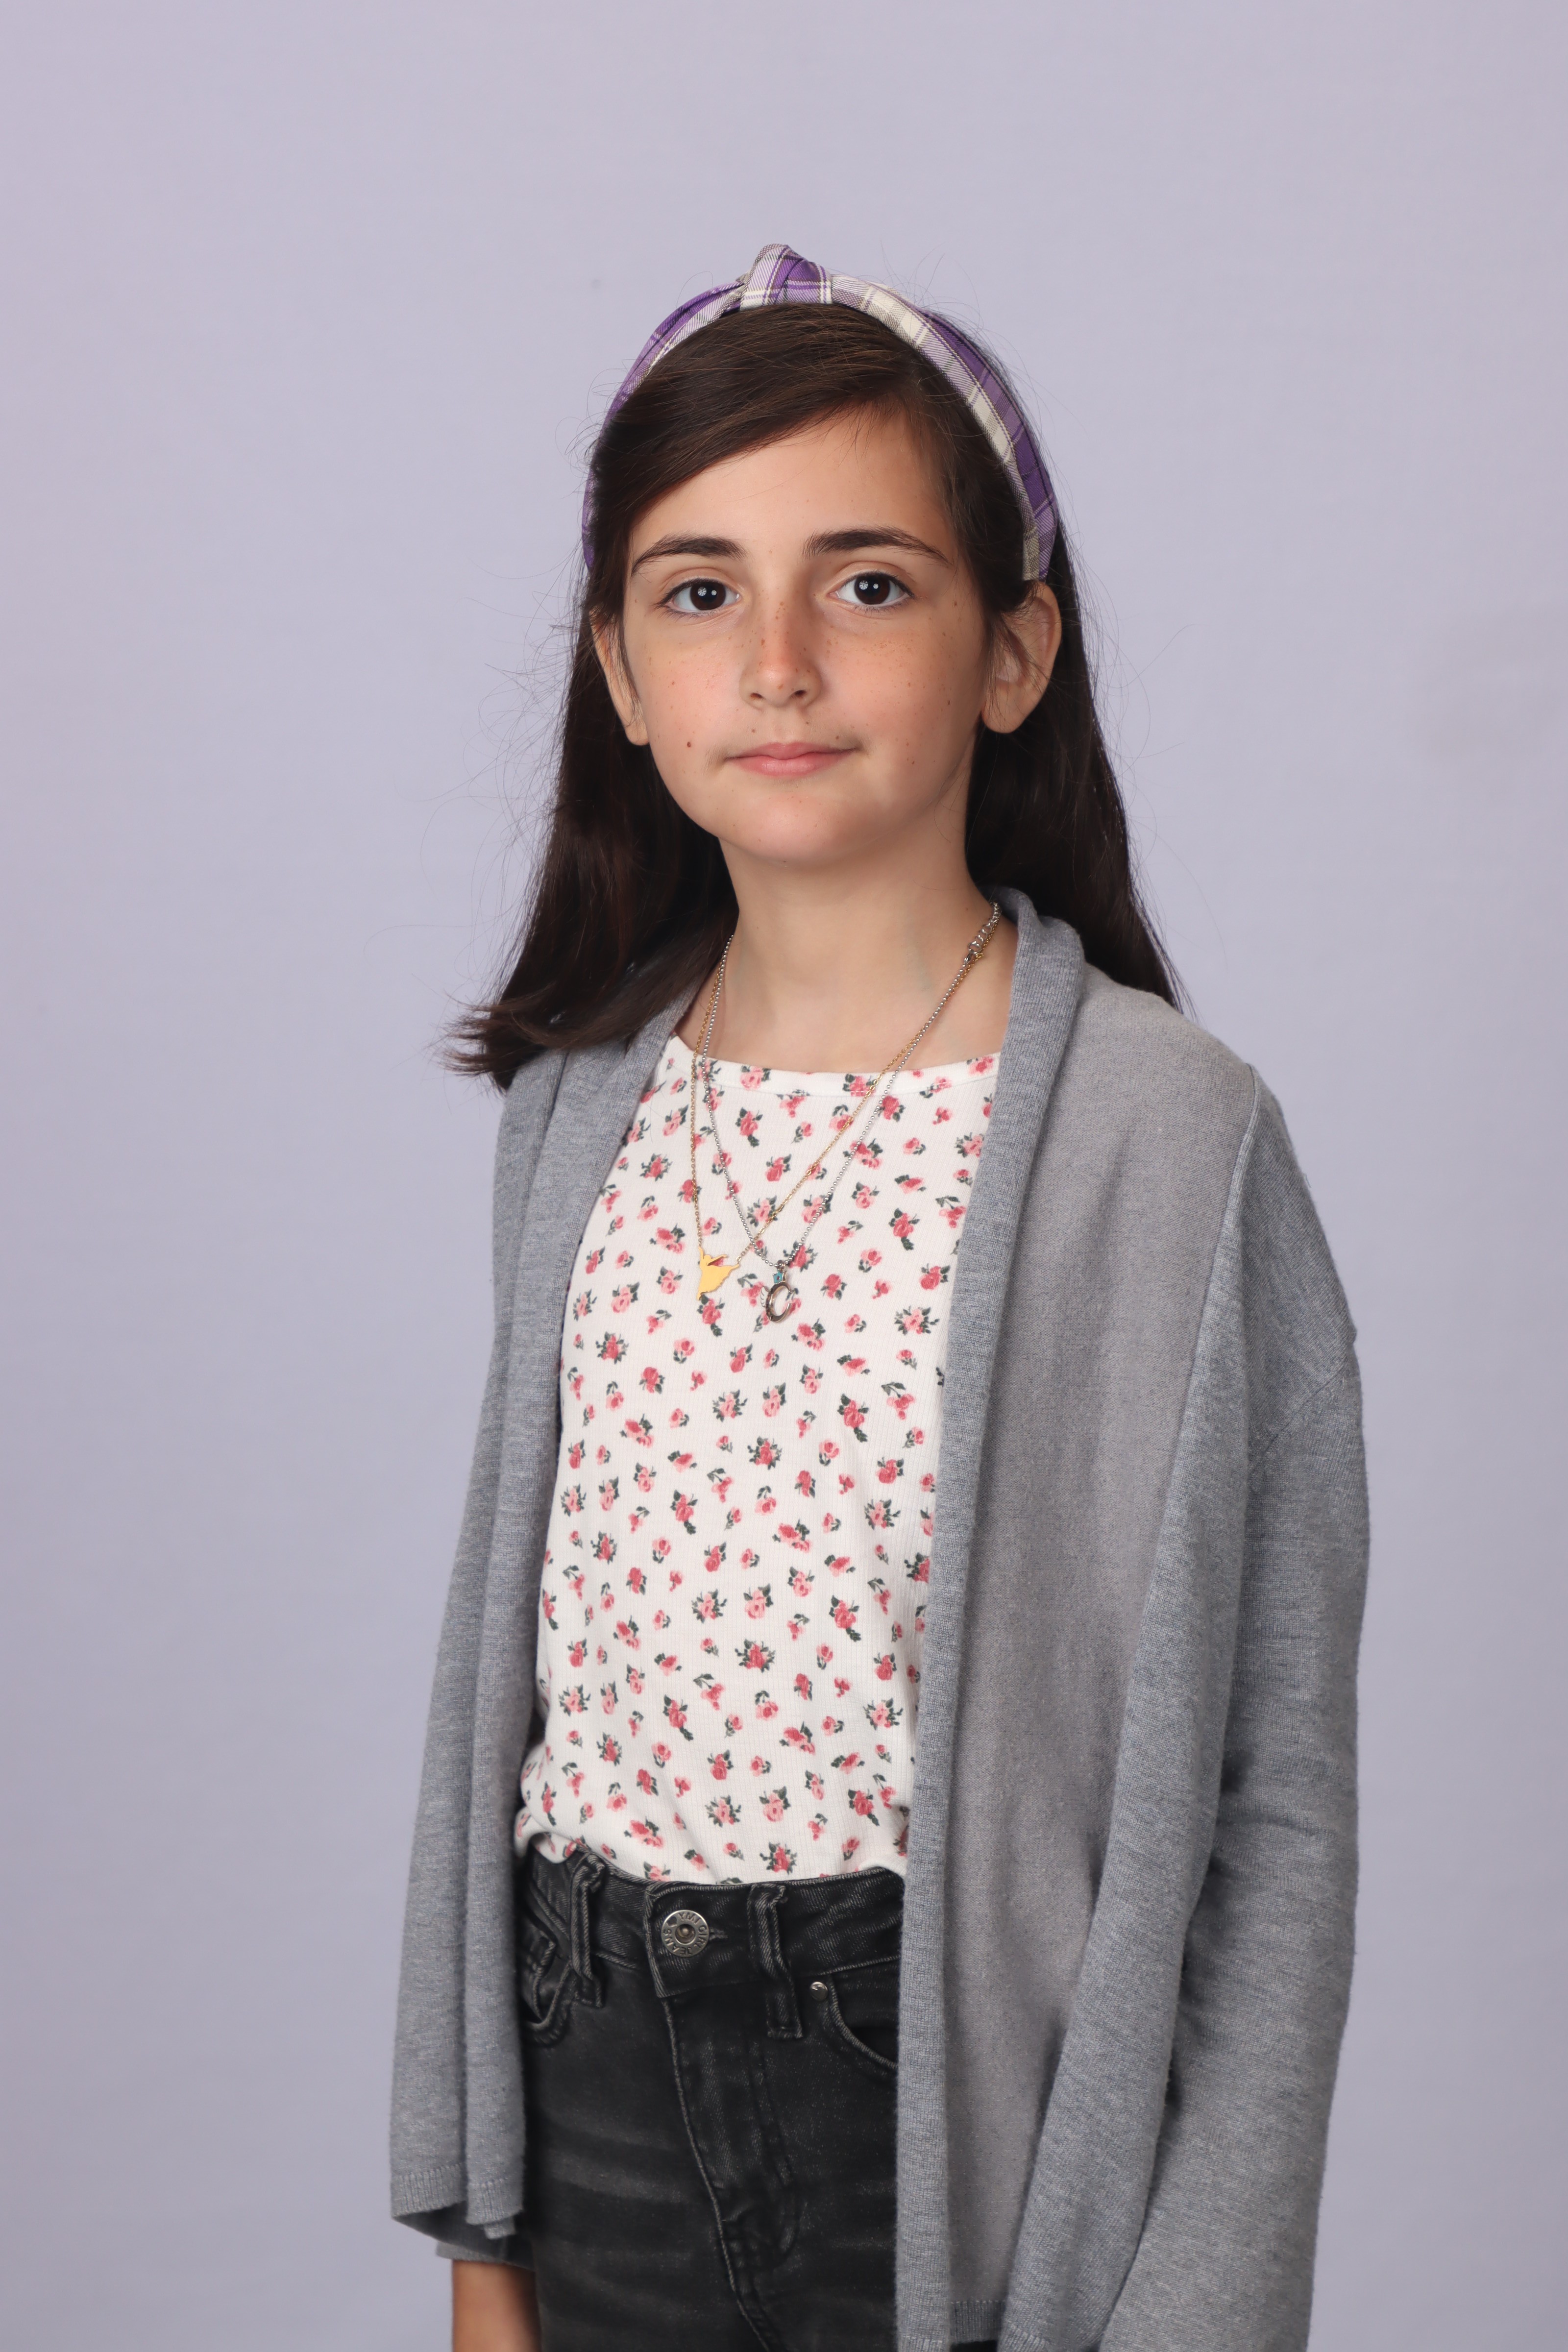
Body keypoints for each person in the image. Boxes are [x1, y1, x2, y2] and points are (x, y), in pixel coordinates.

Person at [390, 244, 1369, 2352]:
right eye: (696, 592)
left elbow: (1271, 1809)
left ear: (1012, 652)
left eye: (866, 583)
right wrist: (483, 2235)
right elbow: (509, 1688)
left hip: (937, 2118)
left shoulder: (1164, 1137)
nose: (775, 663)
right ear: (618, 672)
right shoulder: (578, 1113)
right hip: (589, 2083)